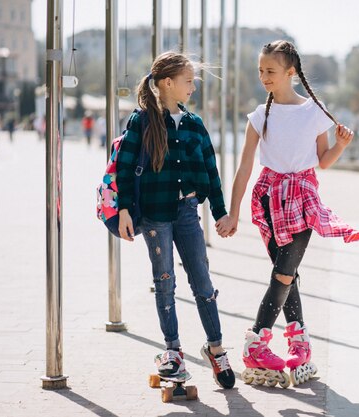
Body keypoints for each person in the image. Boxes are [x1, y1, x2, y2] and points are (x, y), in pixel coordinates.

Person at [218, 40, 359, 387]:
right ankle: (300, 344)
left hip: (303, 197)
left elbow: (323, 161)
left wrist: (341, 145)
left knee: (284, 273)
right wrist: (232, 213)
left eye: (270, 71)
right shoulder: (260, 116)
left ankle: (257, 340)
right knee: (287, 272)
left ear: (290, 72)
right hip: (268, 199)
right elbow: (244, 167)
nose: (264, 77)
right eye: (260, 71)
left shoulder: (313, 111)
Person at [115, 51, 235, 389]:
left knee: (203, 282)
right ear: (168, 83)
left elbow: (210, 172)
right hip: (154, 214)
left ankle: (216, 348)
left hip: (186, 212)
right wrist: (124, 208)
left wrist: (221, 211)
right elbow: (124, 167)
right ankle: (173, 351)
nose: (193, 87)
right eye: (188, 81)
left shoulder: (195, 125)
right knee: (164, 281)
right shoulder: (141, 121)